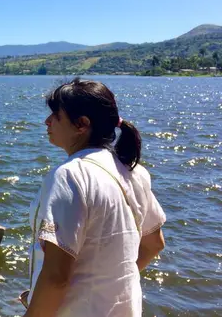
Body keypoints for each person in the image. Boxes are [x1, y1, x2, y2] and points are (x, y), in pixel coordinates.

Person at [21, 78, 166, 317]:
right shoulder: (134, 172)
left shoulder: (70, 175)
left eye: (55, 115)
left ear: (82, 124)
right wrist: (109, 288)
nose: (47, 122)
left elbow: (57, 277)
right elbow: (154, 244)